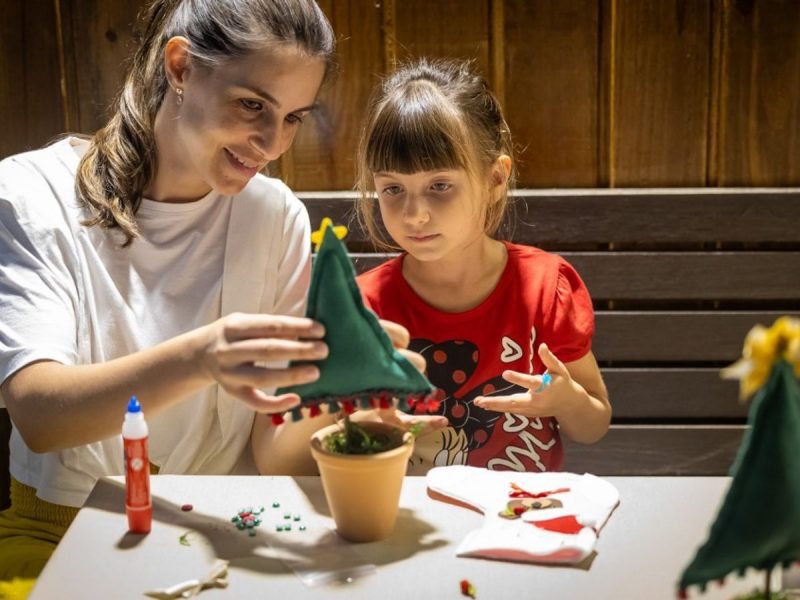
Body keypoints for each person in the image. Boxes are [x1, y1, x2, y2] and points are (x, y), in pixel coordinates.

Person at [0, 1, 418, 595]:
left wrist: (342, 388)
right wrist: (202, 358)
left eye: (294, 116)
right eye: (253, 105)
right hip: (60, 533)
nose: (273, 144)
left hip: (229, 531)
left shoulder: (277, 220)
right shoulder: (33, 195)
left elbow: (272, 454)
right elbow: (39, 415)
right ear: (179, 67)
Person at [355, 58, 612, 475]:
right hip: (416, 521)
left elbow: (594, 425)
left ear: (495, 179)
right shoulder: (365, 307)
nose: (414, 214)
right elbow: (343, 441)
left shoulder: (546, 287)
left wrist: (564, 400)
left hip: (522, 515)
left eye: (440, 185)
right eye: (392, 189)